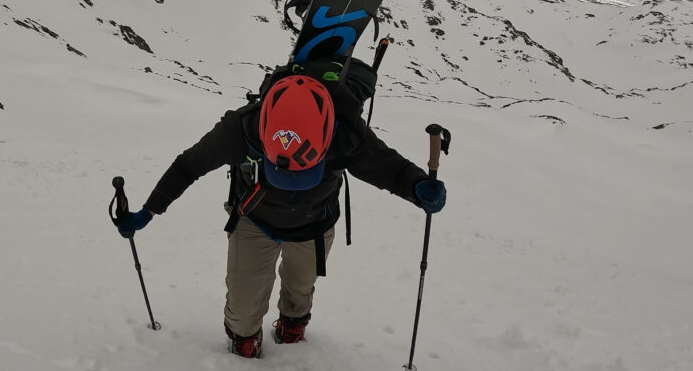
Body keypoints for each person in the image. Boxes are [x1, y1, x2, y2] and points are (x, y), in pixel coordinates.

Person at [115, 65, 446, 358]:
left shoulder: (345, 132)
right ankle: (244, 338)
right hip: (255, 218)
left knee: (300, 290)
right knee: (243, 308)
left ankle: (293, 324)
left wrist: (418, 187)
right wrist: (148, 211)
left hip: (316, 221)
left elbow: (389, 168)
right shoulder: (241, 129)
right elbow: (188, 166)